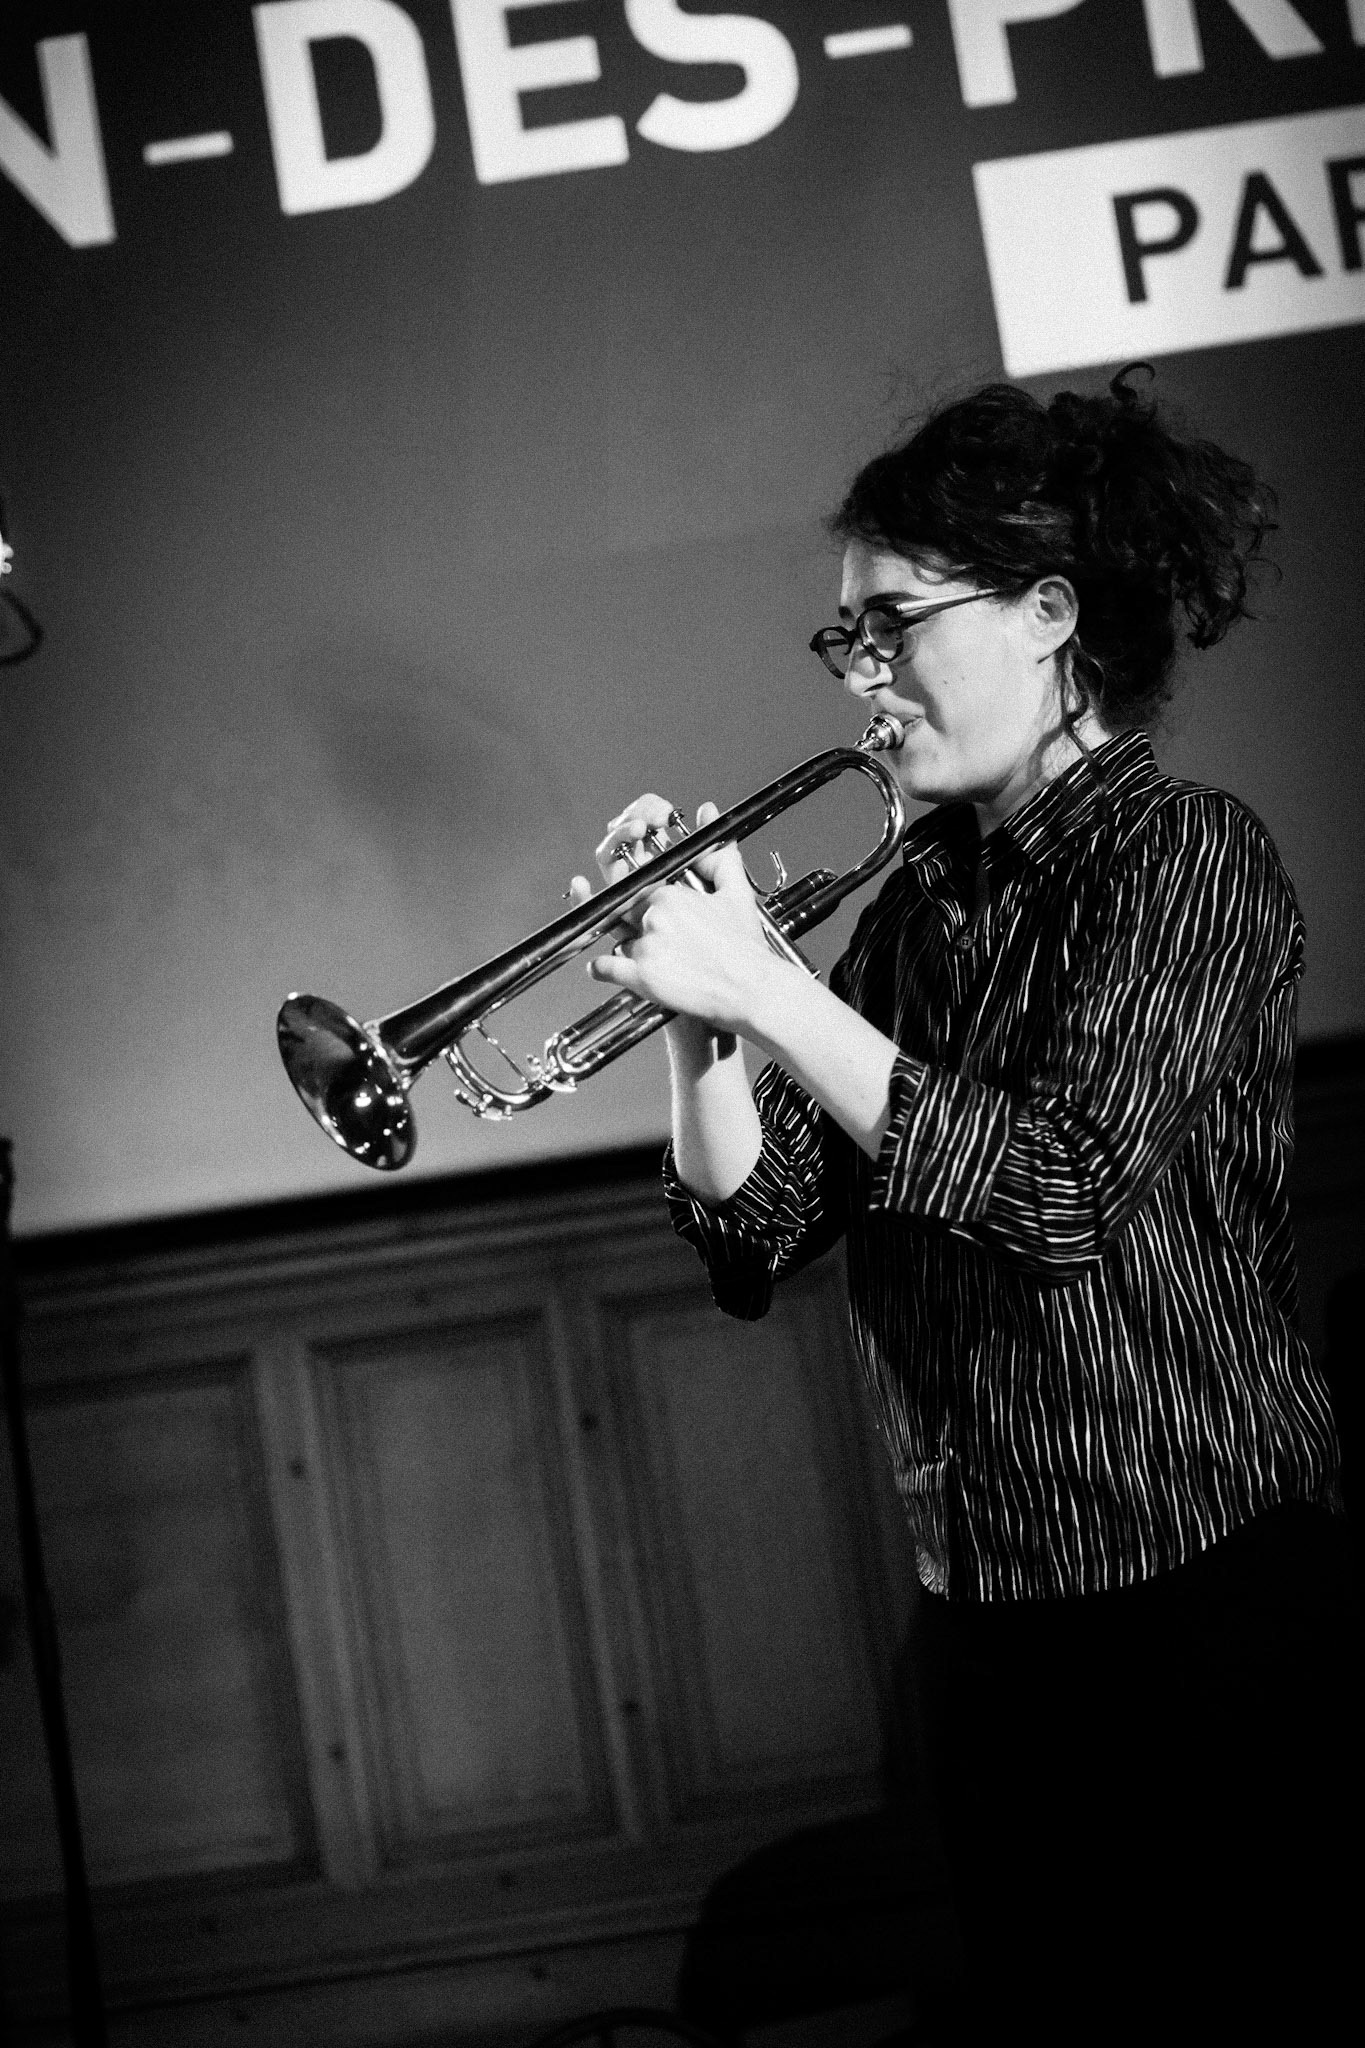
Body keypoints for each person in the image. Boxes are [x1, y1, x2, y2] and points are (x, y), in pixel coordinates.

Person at [574, 367, 1356, 2044]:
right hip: (992, 1616)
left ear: (1047, 617)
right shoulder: (921, 908)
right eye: (841, 640)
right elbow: (753, 1231)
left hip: (1206, 1597)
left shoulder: (1186, 857)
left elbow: (1053, 1191)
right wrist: (704, 1017)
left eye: (892, 625)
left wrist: (779, 998)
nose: (862, 676)